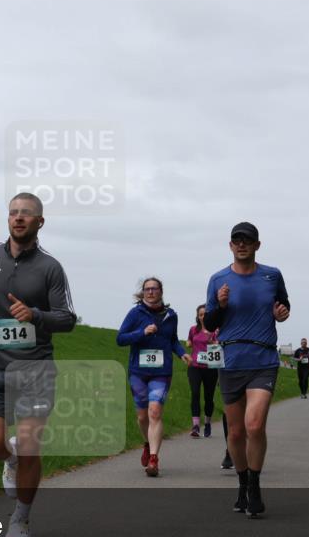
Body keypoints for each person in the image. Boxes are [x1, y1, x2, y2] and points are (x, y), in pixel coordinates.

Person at [0, 192, 76, 537]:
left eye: (27, 214)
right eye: (13, 213)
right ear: (7, 219)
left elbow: (68, 319)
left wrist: (36, 315)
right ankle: (8, 460)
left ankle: (21, 519)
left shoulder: (50, 268)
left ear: (40, 222)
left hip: (35, 371)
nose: (19, 218)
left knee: (29, 446)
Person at [203, 222, 290, 518]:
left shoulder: (272, 275)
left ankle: (254, 484)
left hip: (263, 358)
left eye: (247, 241)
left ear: (257, 245)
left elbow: (284, 306)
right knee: (237, 432)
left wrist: (281, 313)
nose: (241, 245)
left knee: (255, 426)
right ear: (230, 246)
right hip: (231, 359)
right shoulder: (218, 280)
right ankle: (242, 483)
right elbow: (210, 323)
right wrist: (221, 305)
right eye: (236, 241)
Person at [117, 278, 190, 476]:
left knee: (155, 412)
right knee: (142, 417)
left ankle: (154, 459)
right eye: (147, 289)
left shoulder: (171, 316)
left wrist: (182, 352)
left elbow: (173, 340)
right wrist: (142, 332)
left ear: (161, 292)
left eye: (154, 289)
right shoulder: (135, 313)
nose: (150, 292)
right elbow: (120, 339)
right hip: (138, 372)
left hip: (161, 371)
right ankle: (147, 444)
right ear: (143, 292)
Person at [186, 305, 220, 438]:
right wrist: (189, 343)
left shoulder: (216, 331)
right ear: (198, 316)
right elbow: (189, 340)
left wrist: (216, 343)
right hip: (194, 366)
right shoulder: (193, 329)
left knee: (208, 397)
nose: (203, 317)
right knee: (195, 393)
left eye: (205, 314)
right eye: (201, 314)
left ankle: (207, 422)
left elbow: (221, 345)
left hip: (210, 368)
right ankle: (195, 426)